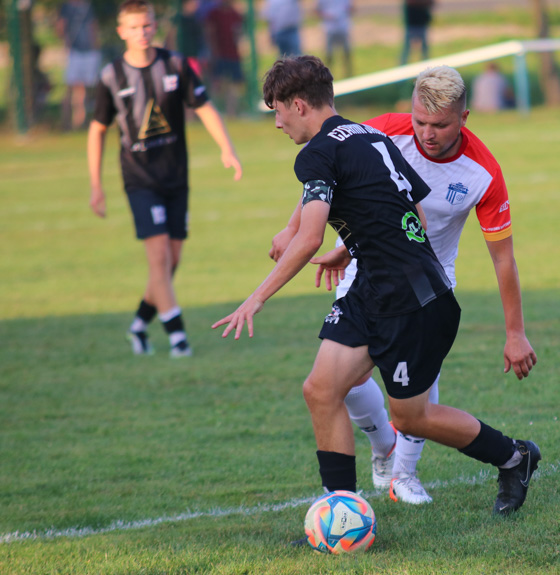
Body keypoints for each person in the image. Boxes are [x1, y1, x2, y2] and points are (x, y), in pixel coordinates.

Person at [213, 55, 540, 518]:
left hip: (414, 301)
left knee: (411, 417)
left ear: (299, 104)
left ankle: (515, 456)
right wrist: (358, 248)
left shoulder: (317, 152)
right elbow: (414, 210)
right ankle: (340, 511)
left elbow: (309, 239)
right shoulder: (370, 134)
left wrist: (255, 298)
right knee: (321, 390)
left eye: (277, 111)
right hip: (375, 285)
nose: (277, 123)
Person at [87, 0, 243, 358]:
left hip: (176, 177)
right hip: (139, 178)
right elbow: (97, 130)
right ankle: (178, 337)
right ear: (121, 32)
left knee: (171, 262)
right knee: (158, 258)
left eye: (147, 25)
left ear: (155, 26)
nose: (142, 33)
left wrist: (227, 149)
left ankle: (139, 325)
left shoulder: (175, 64)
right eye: (134, 27)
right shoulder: (111, 76)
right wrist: (96, 186)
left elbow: (204, 107)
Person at [57, 0, 102, 130]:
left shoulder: (88, 7)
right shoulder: (66, 8)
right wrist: (67, 43)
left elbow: (92, 27)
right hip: (74, 52)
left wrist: (95, 46)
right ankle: (66, 121)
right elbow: (61, 26)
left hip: (89, 51)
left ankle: (79, 121)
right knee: (71, 87)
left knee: (84, 88)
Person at [205, 0, 244, 116]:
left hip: (233, 54)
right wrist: (213, 52)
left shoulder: (235, 14)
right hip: (219, 54)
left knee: (235, 84)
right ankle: (213, 111)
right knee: (217, 83)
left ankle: (231, 112)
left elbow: (239, 33)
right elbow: (209, 33)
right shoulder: (214, 14)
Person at [316, 0, 353, 78]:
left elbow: (351, 8)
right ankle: (327, 75)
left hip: (343, 27)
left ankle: (349, 74)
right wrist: (327, 15)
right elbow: (317, 10)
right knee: (329, 54)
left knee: (346, 52)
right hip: (329, 29)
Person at [400, 0, 433, 65]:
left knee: (425, 49)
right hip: (412, 23)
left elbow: (431, 3)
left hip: (422, 22)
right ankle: (402, 67)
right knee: (407, 49)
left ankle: (427, 67)